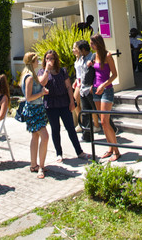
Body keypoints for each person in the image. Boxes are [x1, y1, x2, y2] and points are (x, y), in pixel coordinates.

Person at [39, 49, 87, 162]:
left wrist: (72, 101)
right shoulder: (42, 72)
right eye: (47, 58)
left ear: (55, 60)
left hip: (64, 102)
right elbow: (42, 83)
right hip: (51, 104)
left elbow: (69, 87)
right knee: (55, 129)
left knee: (70, 128)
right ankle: (59, 153)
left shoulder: (62, 71)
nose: (49, 60)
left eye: (51, 58)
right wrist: (47, 70)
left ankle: (79, 151)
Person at [89, 34, 121, 162]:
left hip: (106, 90)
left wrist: (103, 85)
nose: (91, 45)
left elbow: (114, 74)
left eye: (92, 43)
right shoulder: (94, 56)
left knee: (104, 121)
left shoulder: (107, 56)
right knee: (102, 122)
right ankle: (110, 148)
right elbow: (95, 73)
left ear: (98, 43)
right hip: (96, 90)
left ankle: (117, 151)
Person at [20, 51, 50, 178]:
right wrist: (41, 93)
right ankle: (41, 167)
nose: (38, 62)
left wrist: (41, 91)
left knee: (35, 136)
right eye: (36, 60)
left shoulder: (28, 75)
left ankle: (34, 164)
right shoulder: (30, 77)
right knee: (45, 136)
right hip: (34, 109)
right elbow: (28, 97)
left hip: (35, 109)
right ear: (32, 62)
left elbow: (41, 83)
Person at [72, 39, 96, 141]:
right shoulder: (81, 59)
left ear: (83, 49)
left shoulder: (93, 57)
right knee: (86, 112)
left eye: (78, 49)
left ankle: (111, 128)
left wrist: (93, 85)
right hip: (83, 89)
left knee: (97, 110)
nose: (77, 51)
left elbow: (97, 72)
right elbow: (81, 73)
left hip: (90, 89)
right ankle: (86, 136)